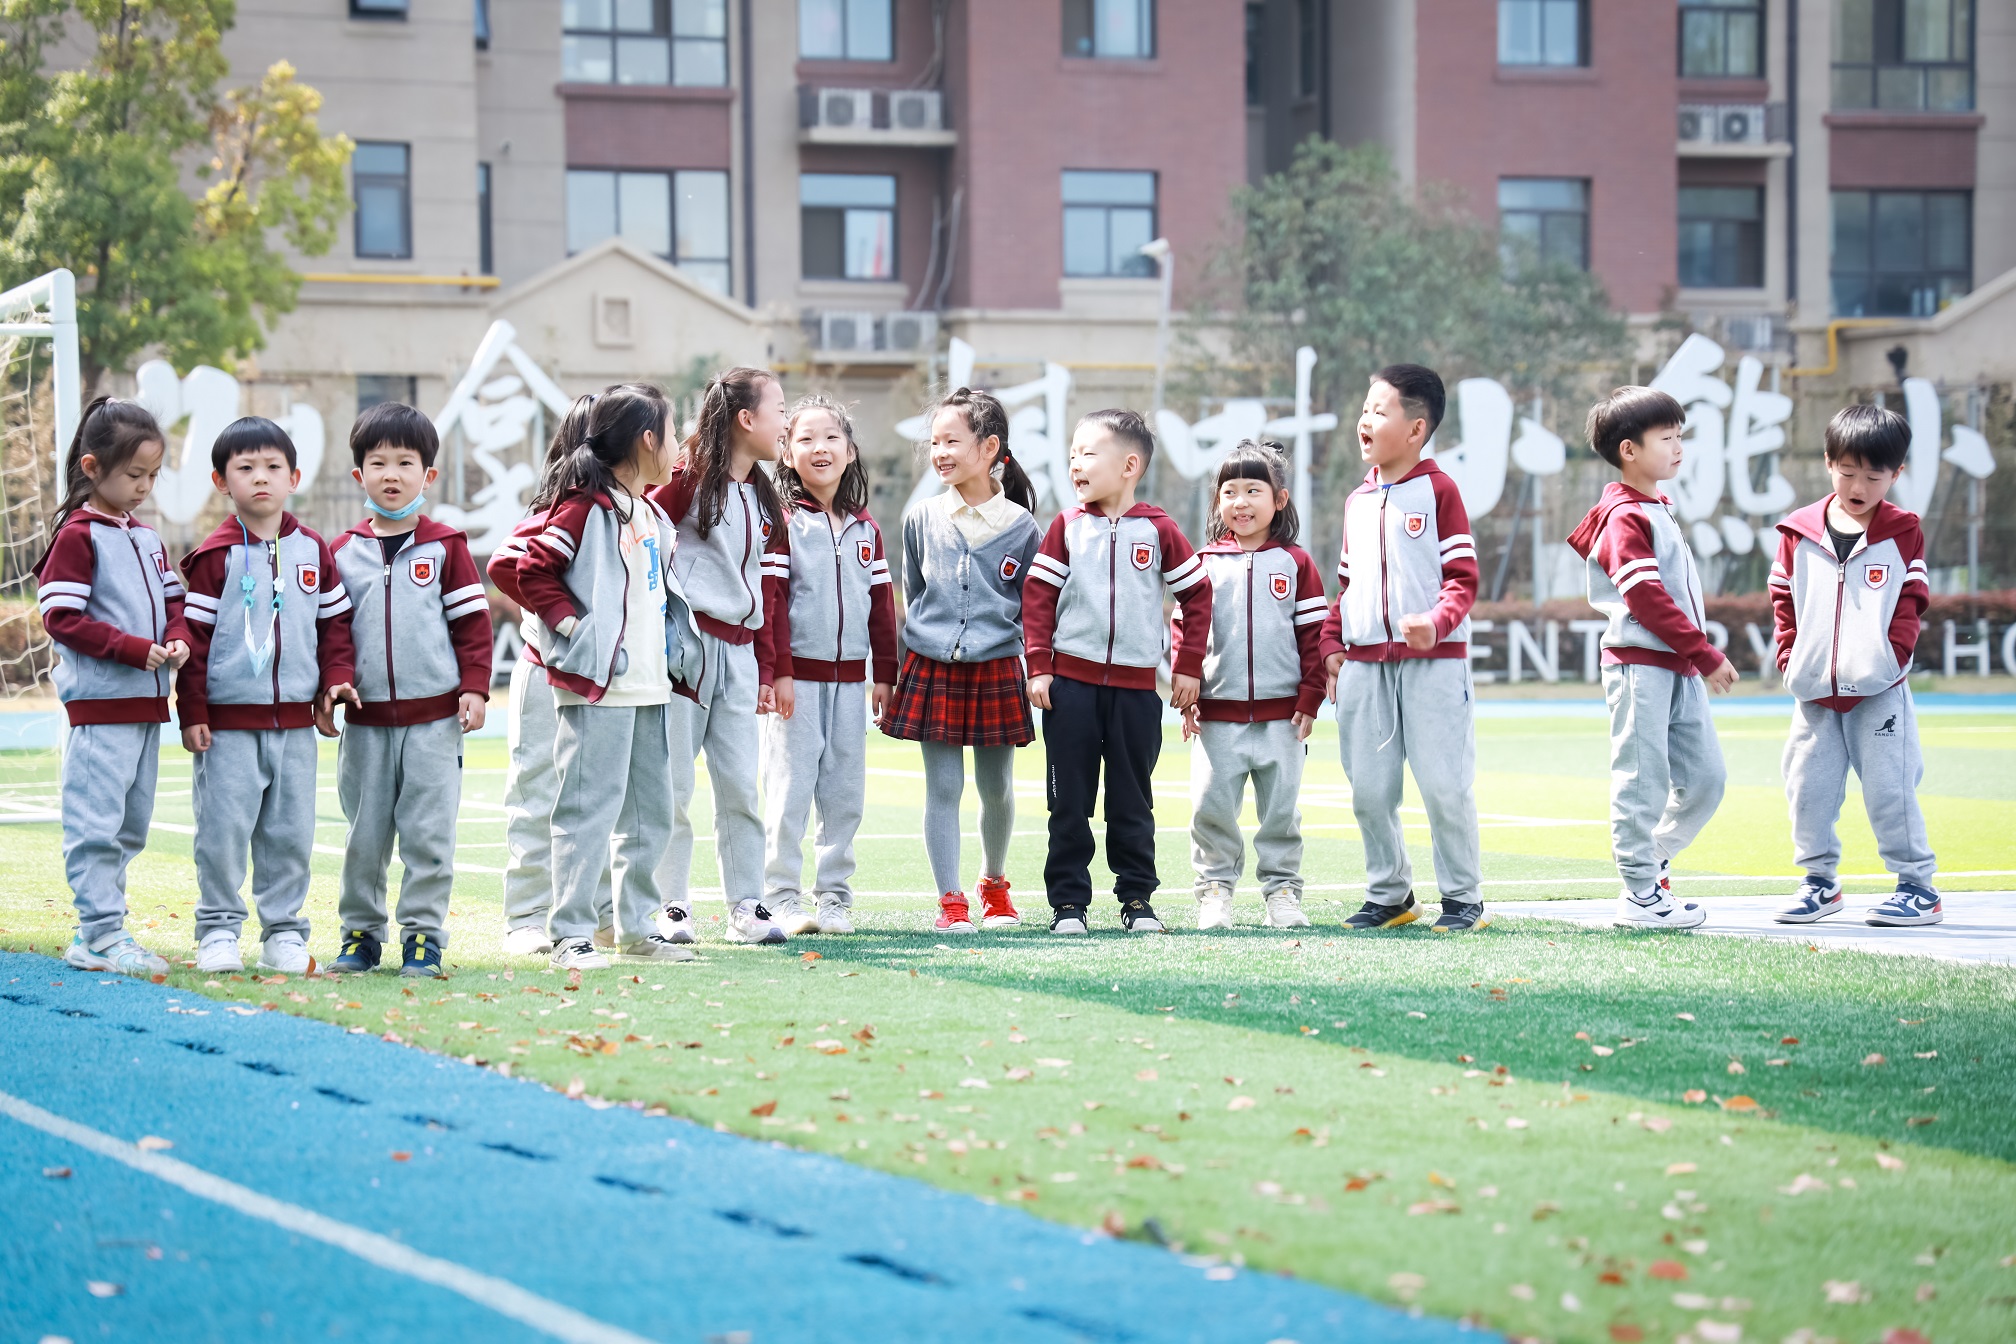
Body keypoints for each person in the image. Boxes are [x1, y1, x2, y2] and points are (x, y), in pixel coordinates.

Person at [513, 383, 702, 970]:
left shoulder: (646, 509)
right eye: (672, 435)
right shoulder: (584, 506)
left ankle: (637, 928)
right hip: (600, 687)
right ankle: (570, 933)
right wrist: (575, 629)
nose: (677, 448)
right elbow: (518, 567)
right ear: (647, 440)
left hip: (650, 686)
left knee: (650, 814)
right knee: (584, 812)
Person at [178, 417, 358, 974]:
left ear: (294, 476)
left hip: (295, 729)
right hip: (227, 728)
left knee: (289, 834)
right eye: (245, 468)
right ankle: (217, 931)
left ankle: (284, 932)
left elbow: (335, 629)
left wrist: (334, 682)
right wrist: (192, 711)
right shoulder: (213, 557)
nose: (261, 478)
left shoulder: (314, 551)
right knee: (223, 833)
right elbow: (194, 641)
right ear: (220, 481)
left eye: (273, 467)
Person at [1024, 408, 1212, 935]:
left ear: (1130, 465)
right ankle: (1068, 905)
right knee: (1069, 804)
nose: (1075, 465)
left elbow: (1197, 595)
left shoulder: (1159, 530)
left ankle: (1137, 900)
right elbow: (1038, 598)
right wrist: (1039, 667)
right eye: (1071, 456)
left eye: (1088, 453)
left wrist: (1187, 667)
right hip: (1071, 691)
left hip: (1135, 694)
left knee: (1132, 802)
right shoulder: (1066, 527)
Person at [325, 403, 494, 977]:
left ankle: (423, 936)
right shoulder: (341, 552)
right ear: (359, 476)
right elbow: (332, 633)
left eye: (405, 462)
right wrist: (333, 685)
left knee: (427, 836)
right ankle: (359, 934)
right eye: (378, 463)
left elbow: (472, 627)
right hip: (366, 726)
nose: (390, 474)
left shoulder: (448, 546)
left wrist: (475, 688)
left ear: (429, 476)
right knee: (363, 838)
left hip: (433, 724)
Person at [1317, 366, 1487, 933]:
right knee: (1369, 790)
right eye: (1364, 409)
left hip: (1433, 667)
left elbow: (1462, 579)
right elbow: (1347, 584)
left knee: (1444, 786)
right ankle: (1390, 894)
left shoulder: (1440, 491)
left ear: (1416, 429)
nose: (1365, 420)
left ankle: (1463, 899)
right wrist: (1331, 643)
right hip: (1365, 667)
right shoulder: (1357, 501)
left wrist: (1437, 623)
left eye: (1379, 410)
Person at [1566, 385, 1739, 931]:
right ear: (1629, 450)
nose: (1678, 447)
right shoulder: (1624, 516)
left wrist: (1695, 658)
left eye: (1679, 436)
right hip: (1641, 665)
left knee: (1707, 780)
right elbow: (1645, 597)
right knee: (1642, 781)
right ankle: (1640, 894)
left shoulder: (1655, 507)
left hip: (1677, 666)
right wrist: (1704, 652)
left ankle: (1651, 862)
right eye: (1666, 437)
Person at [34, 398, 188, 976]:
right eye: (134, 475)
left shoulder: (146, 537)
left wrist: (176, 639)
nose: (145, 486)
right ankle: (97, 935)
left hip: (147, 708)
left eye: (152, 475)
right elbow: (61, 618)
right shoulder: (77, 536)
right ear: (93, 467)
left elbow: (174, 602)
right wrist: (130, 649)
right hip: (100, 708)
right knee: (96, 825)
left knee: (130, 825)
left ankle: (106, 928)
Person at [1770, 403, 1939, 927]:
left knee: (1891, 789)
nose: (1858, 485)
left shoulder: (1903, 530)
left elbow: (1912, 599)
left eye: (1873, 475)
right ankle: (1819, 883)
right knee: (1808, 790)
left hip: (1880, 690)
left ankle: (1917, 887)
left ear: (1896, 474)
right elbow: (1783, 599)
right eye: (1847, 472)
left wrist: (1892, 659)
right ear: (1828, 463)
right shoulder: (1797, 530)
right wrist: (1791, 658)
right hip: (1813, 690)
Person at [885, 388, 1041, 934]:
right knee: (942, 788)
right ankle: (950, 900)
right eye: (934, 442)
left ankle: (993, 885)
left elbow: (1033, 608)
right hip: (932, 667)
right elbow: (913, 593)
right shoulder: (921, 517)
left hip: (999, 667)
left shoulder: (1024, 527)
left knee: (997, 787)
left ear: (990, 446)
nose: (940, 451)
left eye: (952, 440)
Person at [649, 367, 793, 946]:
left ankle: (747, 905)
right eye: (780, 410)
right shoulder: (689, 478)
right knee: (674, 784)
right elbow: (645, 529)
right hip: (688, 652)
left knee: (739, 784)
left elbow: (759, 584)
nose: (786, 422)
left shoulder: (762, 491)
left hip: (738, 654)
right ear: (746, 419)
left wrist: (763, 665)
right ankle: (669, 904)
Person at [761, 395, 898, 935]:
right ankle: (782, 895)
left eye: (830, 437)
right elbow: (771, 601)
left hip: (850, 685)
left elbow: (882, 608)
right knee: (789, 790)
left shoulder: (866, 529)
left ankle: (834, 896)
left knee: (844, 794)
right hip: (797, 683)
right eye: (805, 439)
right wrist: (780, 671)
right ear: (788, 453)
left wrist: (884, 673)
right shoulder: (782, 521)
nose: (819, 448)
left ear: (850, 449)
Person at [1180, 440, 1326, 930]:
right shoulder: (1202, 563)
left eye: (1253, 490)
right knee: (1211, 807)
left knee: (1281, 813)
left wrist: (1311, 696)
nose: (1240, 502)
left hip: (1283, 718)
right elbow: (1186, 633)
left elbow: (1314, 637)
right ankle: (1215, 890)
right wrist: (1189, 693)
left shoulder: (1297, 564)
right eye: (1230, 492)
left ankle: (1282, 891)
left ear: (1279, 500)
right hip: (1216, 715)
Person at [488, 395, 610, 958]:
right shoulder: (560, 508)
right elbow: (506, 565)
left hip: (606, 679)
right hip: (545, 672)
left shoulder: (629, 512)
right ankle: (527, 916)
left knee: (602, 798)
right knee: (537, 790)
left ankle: (599, 910)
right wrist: (560, 624)